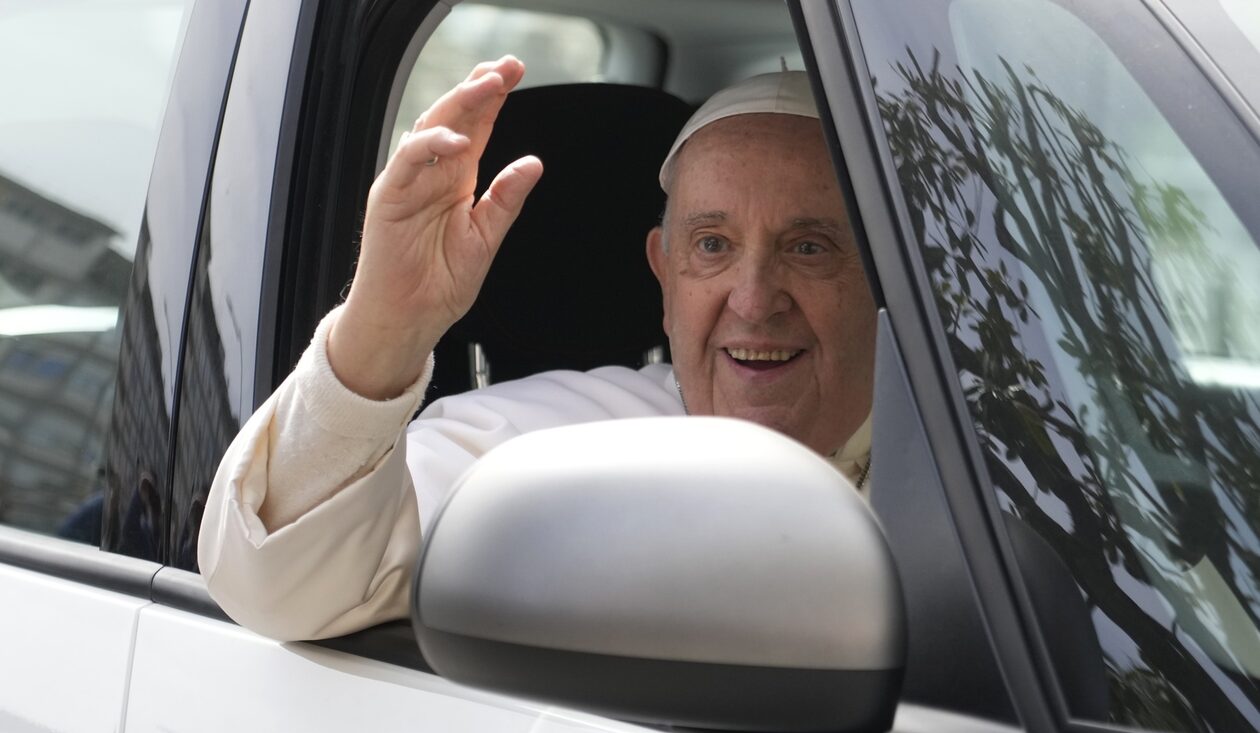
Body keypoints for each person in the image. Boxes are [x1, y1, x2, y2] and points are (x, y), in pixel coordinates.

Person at [198, 57, 876, 641]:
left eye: (808, 248)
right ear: (665, 277)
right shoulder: (543, 447)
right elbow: (281, 584)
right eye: (713, 246)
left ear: (885, 280)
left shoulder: (946, 444)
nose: (754, 301)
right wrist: (383, 329)